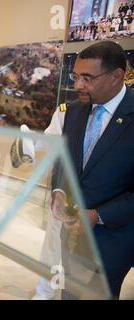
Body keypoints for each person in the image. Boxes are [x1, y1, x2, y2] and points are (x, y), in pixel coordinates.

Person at [51, 40, 134, 299]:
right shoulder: (73, 112)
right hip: (72, 242)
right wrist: (57, 192)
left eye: (87, 78)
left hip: (112, 243)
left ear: (116, 77)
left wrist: (98, 215)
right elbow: (61, 161)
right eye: (76, 77)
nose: (77, 86)